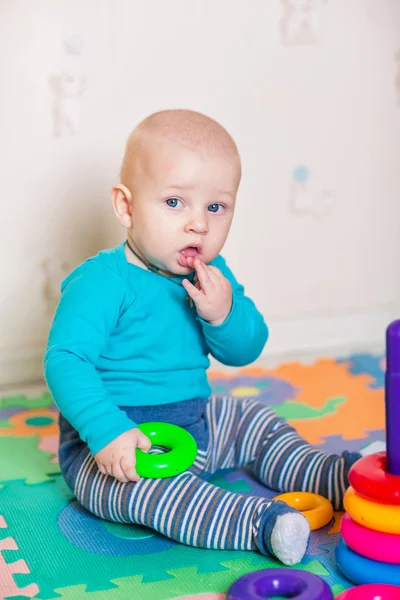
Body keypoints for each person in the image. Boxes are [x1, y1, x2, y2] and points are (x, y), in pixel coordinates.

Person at [44, 109, 369, 565]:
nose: (199, 224)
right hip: (117, 448)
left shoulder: (211, 274)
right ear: (126, 206)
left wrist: (222, 314)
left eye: (215, 207)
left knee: (255, 420)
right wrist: (107, 432)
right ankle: (261, 524)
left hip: (198, 423)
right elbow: (65, 360)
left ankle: (341, 476)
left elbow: (246, 348)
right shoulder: (101, 281)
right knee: (154, 496)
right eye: (175, 203)